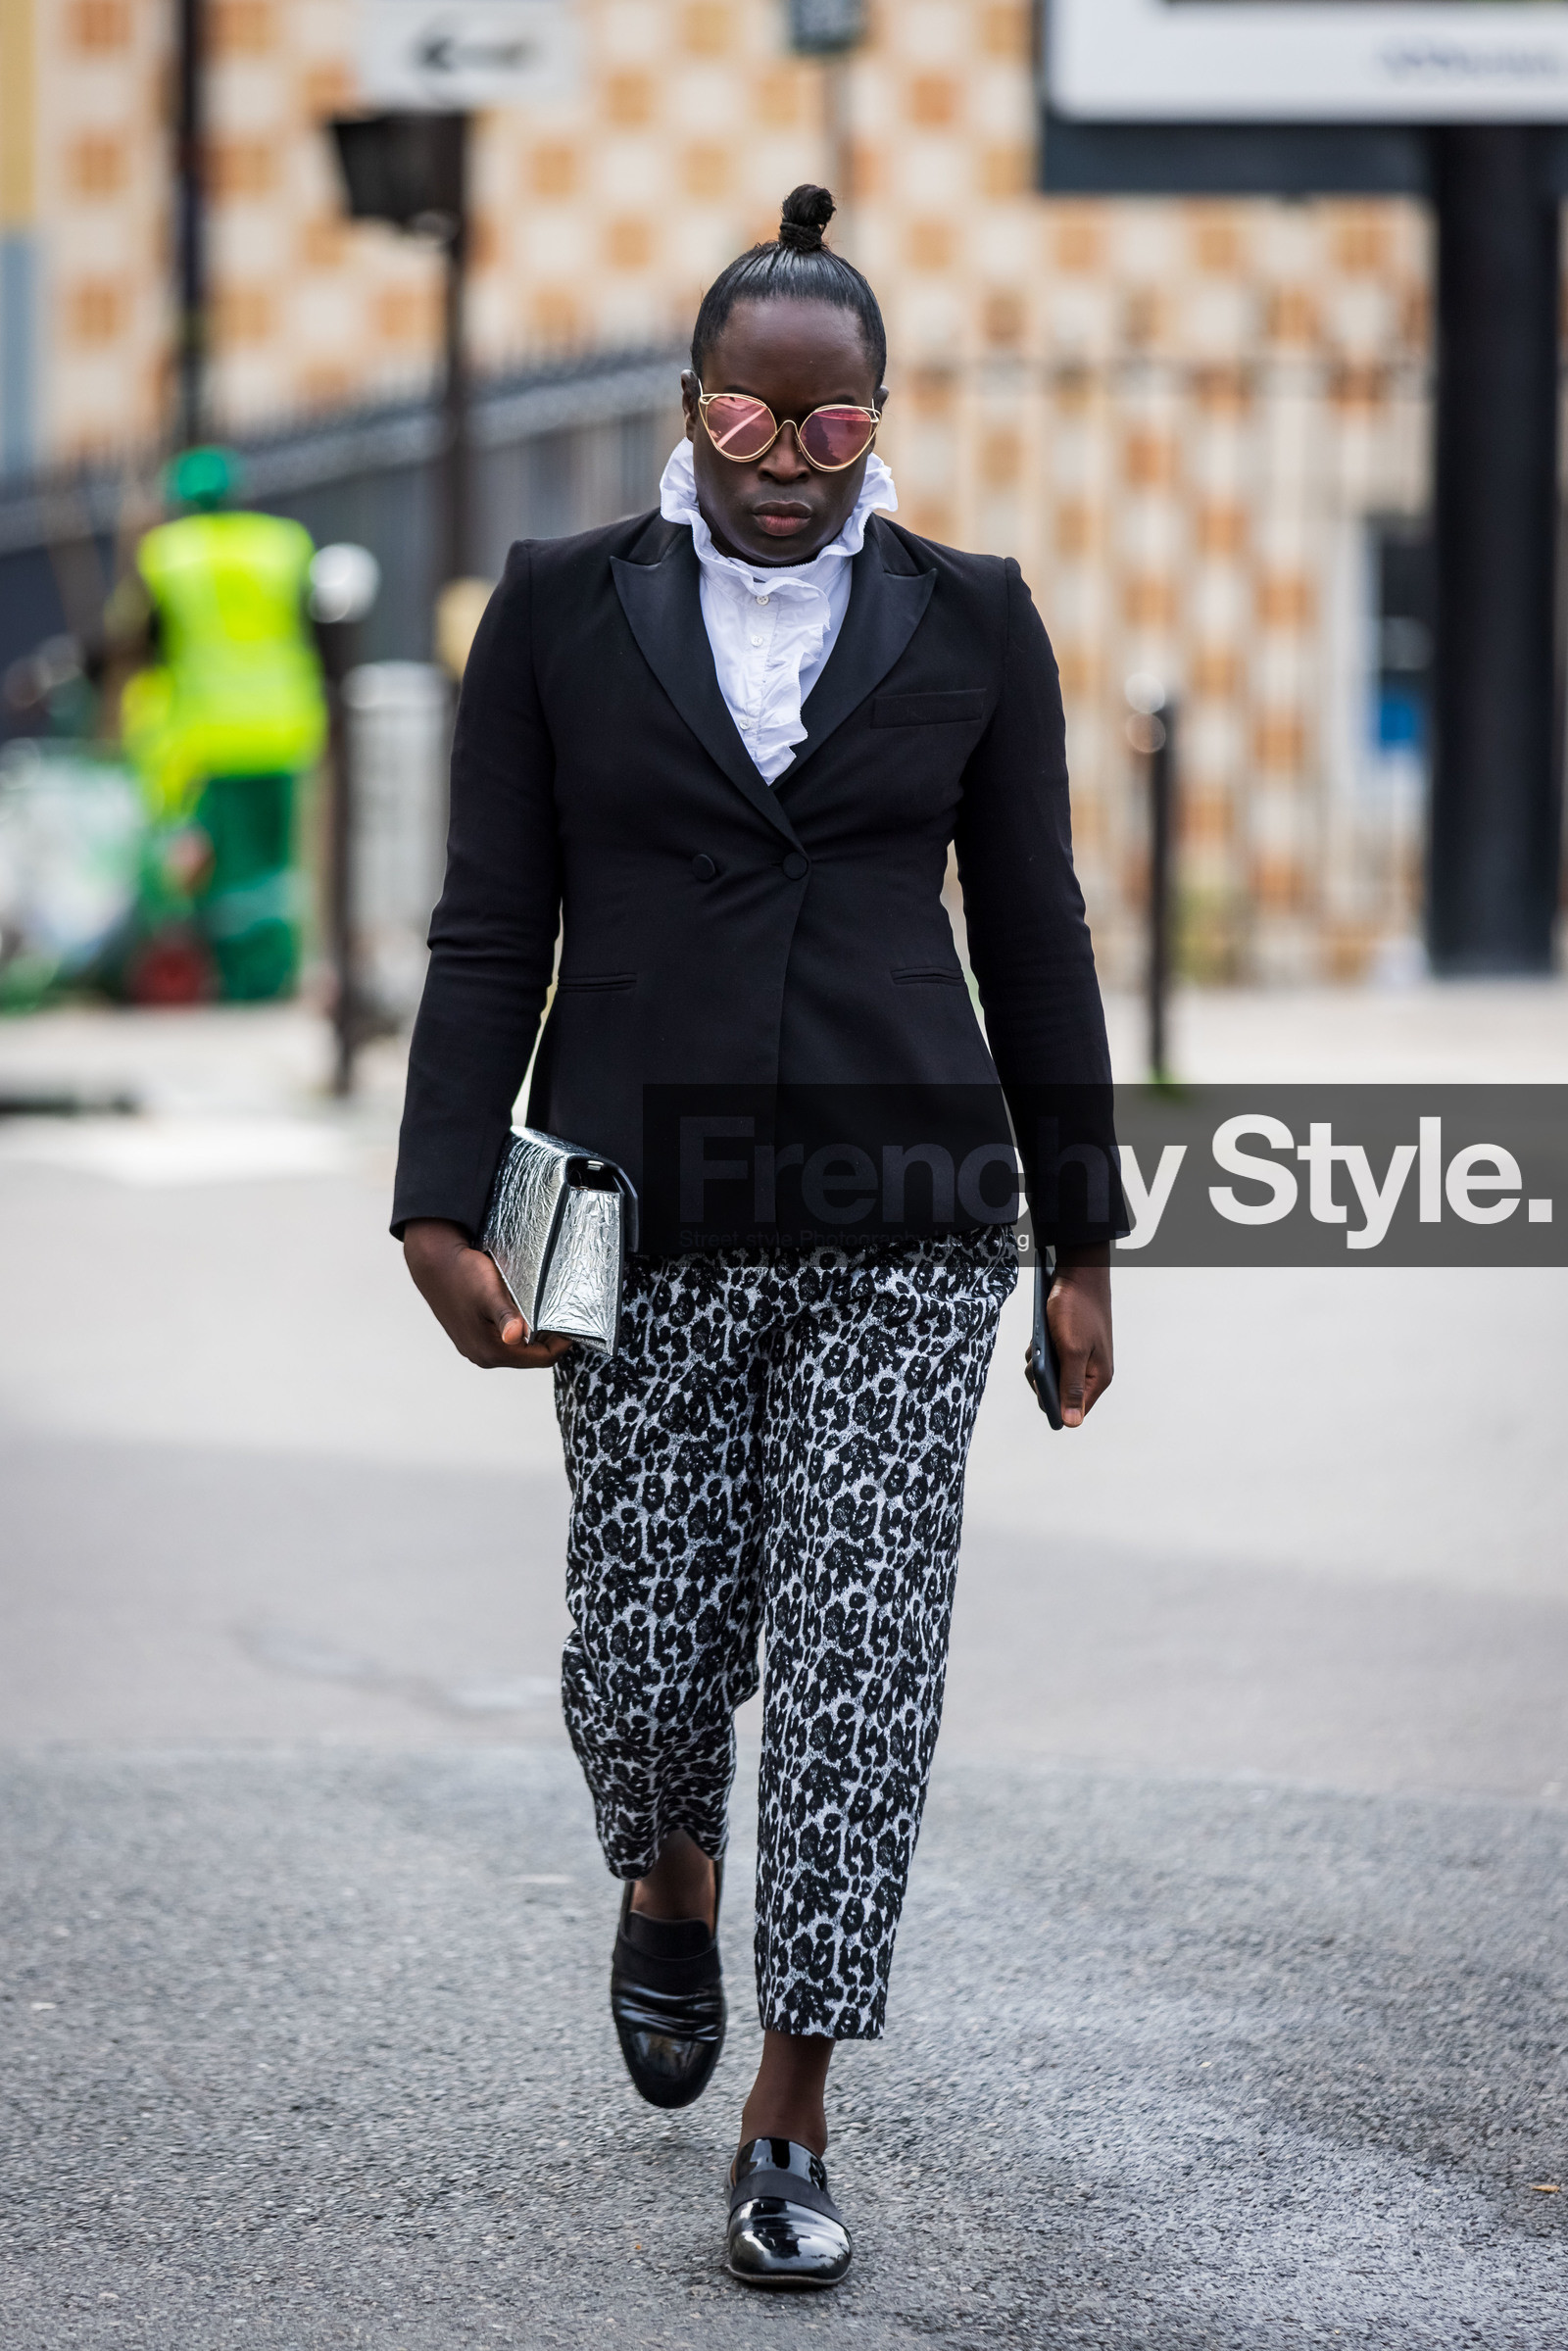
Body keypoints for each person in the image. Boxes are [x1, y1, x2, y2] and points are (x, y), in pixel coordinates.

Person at [393, 185, 1115, 2290]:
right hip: (629, 1190)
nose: (782, 465)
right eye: (746, 421)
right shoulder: (553, 604)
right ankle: (666, 1870)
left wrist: (1081, 1236)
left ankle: (789, 2110)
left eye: (827, 429)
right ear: (690, 407)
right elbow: (483, 923)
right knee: (640, 1655)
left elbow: (1042, 933)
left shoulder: (973, 616)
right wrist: (442, 1199)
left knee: (861, 1659)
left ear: (876, 421)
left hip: (906, 1200)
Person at [121, 446, 325, 1002]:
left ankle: (239, 981)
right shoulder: (282, 545)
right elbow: (317, 627)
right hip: (284, 727)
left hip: (213, 735)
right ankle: (276, 973)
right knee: (277, 863)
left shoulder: (169, 555)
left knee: (224, 867)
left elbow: (146, 641)